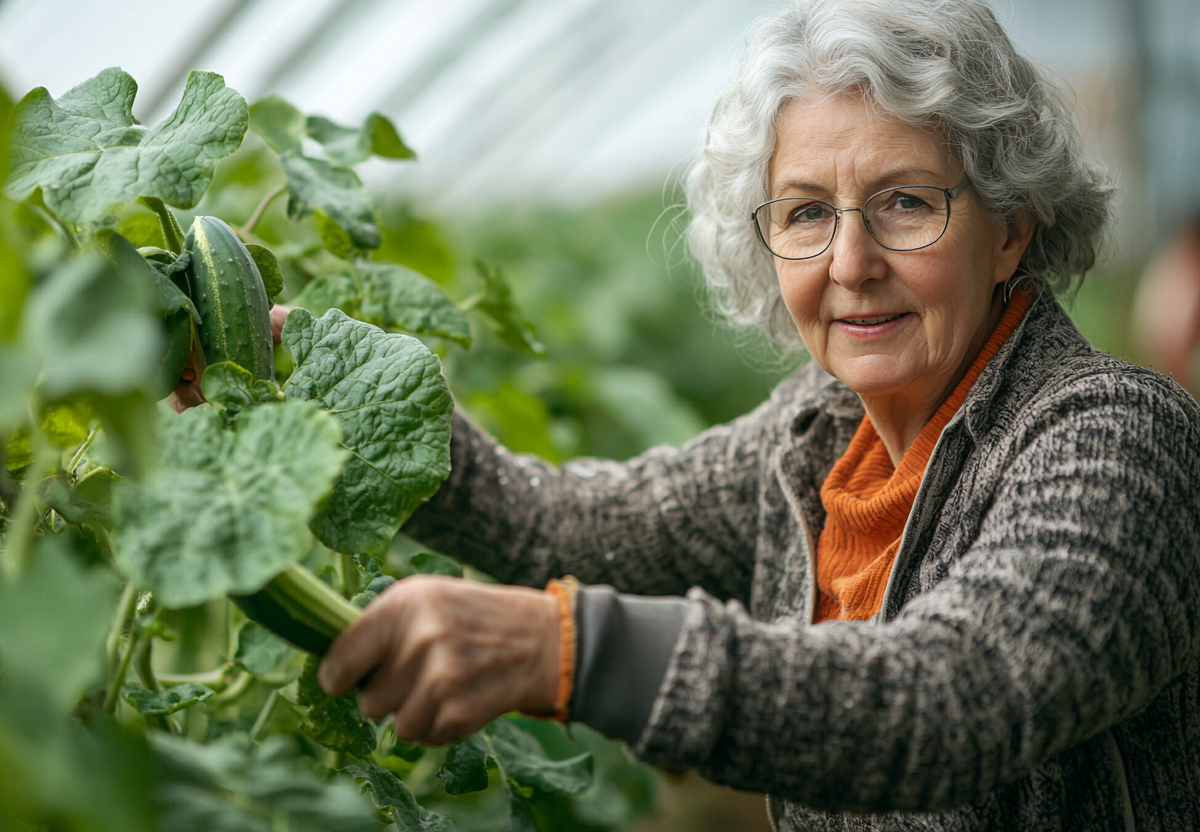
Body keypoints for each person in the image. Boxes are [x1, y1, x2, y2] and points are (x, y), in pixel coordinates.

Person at [304, 0, 1200, 828]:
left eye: (905, 202)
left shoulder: (1118, 439)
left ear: (1010, 228)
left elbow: (951, 700)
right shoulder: (817, 433)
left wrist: (570, 650)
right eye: (806, 213)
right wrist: (340, 393)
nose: (850, 262)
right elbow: (564, 524)